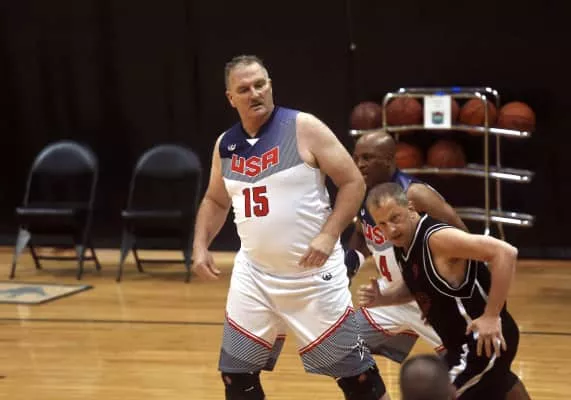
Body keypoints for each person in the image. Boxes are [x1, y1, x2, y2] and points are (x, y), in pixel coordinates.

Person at [191, 54, 389, 400]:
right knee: (236, 378)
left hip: (312, 278)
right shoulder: (226, 145)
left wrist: (329, 234)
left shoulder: (303, 127)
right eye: (244, 89)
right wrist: (200, 246)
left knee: (359, 381)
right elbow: (215, 200)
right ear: (231, 98)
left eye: (260, 84)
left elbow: (353, 182)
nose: (255, 93)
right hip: (254, 276)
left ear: (270, 85)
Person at [359, 182, 532, 400]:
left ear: (410, 208)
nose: (391, 229)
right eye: (382, 224)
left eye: (395, 218)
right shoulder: (403, 243)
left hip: (481, 343)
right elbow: (416, 284)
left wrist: (491, 315)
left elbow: (505, 253)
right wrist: (383, 298)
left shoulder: (436, 239)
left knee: (430, 393)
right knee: (496, 389)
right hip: (460, 346)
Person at [346, 131, 468, 363]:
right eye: (357, 158)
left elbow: (463, 240)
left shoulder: (415, 194)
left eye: (368, 158)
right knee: (340, 348)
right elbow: (361, 235)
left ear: (389, 160)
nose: (360, 164)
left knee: (478, 374)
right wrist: (348, 268)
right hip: (391, 298)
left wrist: (437, 285)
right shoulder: (364, 192)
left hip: (434, 299)